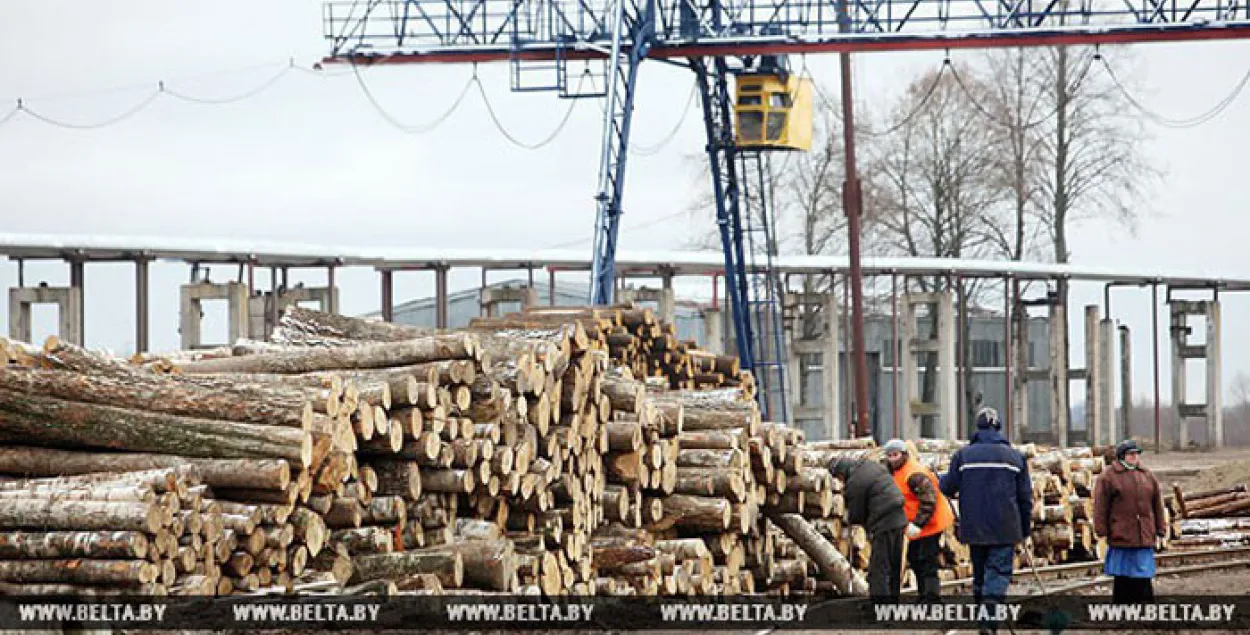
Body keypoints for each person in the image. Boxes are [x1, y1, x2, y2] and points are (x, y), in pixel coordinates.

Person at [939, 407, 1032, 635]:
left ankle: (985, 620)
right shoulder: (1015, 457)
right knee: (998, 574)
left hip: (974, 526)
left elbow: (948, 487)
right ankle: (989, 621)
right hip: (1005, 527)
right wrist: (1024, 528)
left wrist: (939, 478)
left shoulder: (963, 456)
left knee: (980, 574)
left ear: (978, 428)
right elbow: (1025, 498)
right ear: (998, 428)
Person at [1093, 439, 1166, 604]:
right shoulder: (1108, 477)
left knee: (1143, 574)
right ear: (1121, 456)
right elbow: (1100, 506)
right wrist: (1101, 530)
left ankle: (1145, 607)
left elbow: (1157, 505)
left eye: (1136, 454)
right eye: (1130, 454)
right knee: (1123, 575)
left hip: (1144, 535)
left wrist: (1161, 529)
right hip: (1122, 535)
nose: (1135, 457)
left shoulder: (1147, 476)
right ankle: (1122, 608)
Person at [882, 438, 955, 602]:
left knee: (927, 560)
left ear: (903, 455)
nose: (893, 459)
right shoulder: (892, 471)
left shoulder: (914, 474)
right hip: (915, 523)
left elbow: (929, 500)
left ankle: (932, 597)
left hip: (930, 522)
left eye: (896, 455)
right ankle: (924, 594)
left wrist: (918, 524)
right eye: (890, 456)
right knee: (915, 558)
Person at [830, 456, 909, 603]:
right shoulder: (870, 465)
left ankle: (880, 605)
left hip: (884, 521)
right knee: (894, 563)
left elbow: (856, 513)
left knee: (879, 567)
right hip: (899, 517)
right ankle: (893, 601)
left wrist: (848, 518)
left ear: (841, 473)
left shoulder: (854, 481)